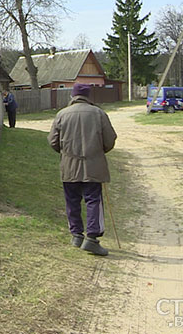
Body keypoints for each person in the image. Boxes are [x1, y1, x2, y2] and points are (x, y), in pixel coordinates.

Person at [47, 83, 117, 256]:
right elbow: (110, 140)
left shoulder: (61, 114)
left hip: (69, 166)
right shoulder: (99, 113)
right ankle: (92, 238)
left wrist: (66, 154)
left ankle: (76, 235)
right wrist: (97, 152)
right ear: (88, 96)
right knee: (93, 200)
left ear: (73, 96)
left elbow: (53, 141)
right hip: (93, 165)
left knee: (72, 201)